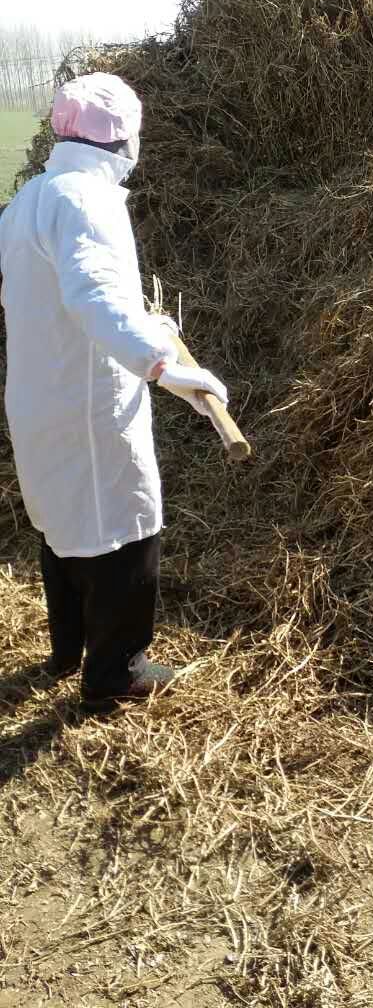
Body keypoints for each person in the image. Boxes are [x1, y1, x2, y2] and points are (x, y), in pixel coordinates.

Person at [0, 72, 227, 707]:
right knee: (125, 531)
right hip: (87, 405)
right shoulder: (86, 198)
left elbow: (54, 296)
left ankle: (68, 650)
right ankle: (114, 674)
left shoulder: (27, 201)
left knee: (61, 526)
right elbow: (93, 294)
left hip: (39, 395)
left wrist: (146, 322)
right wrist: (162, 362)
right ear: (122, 139)